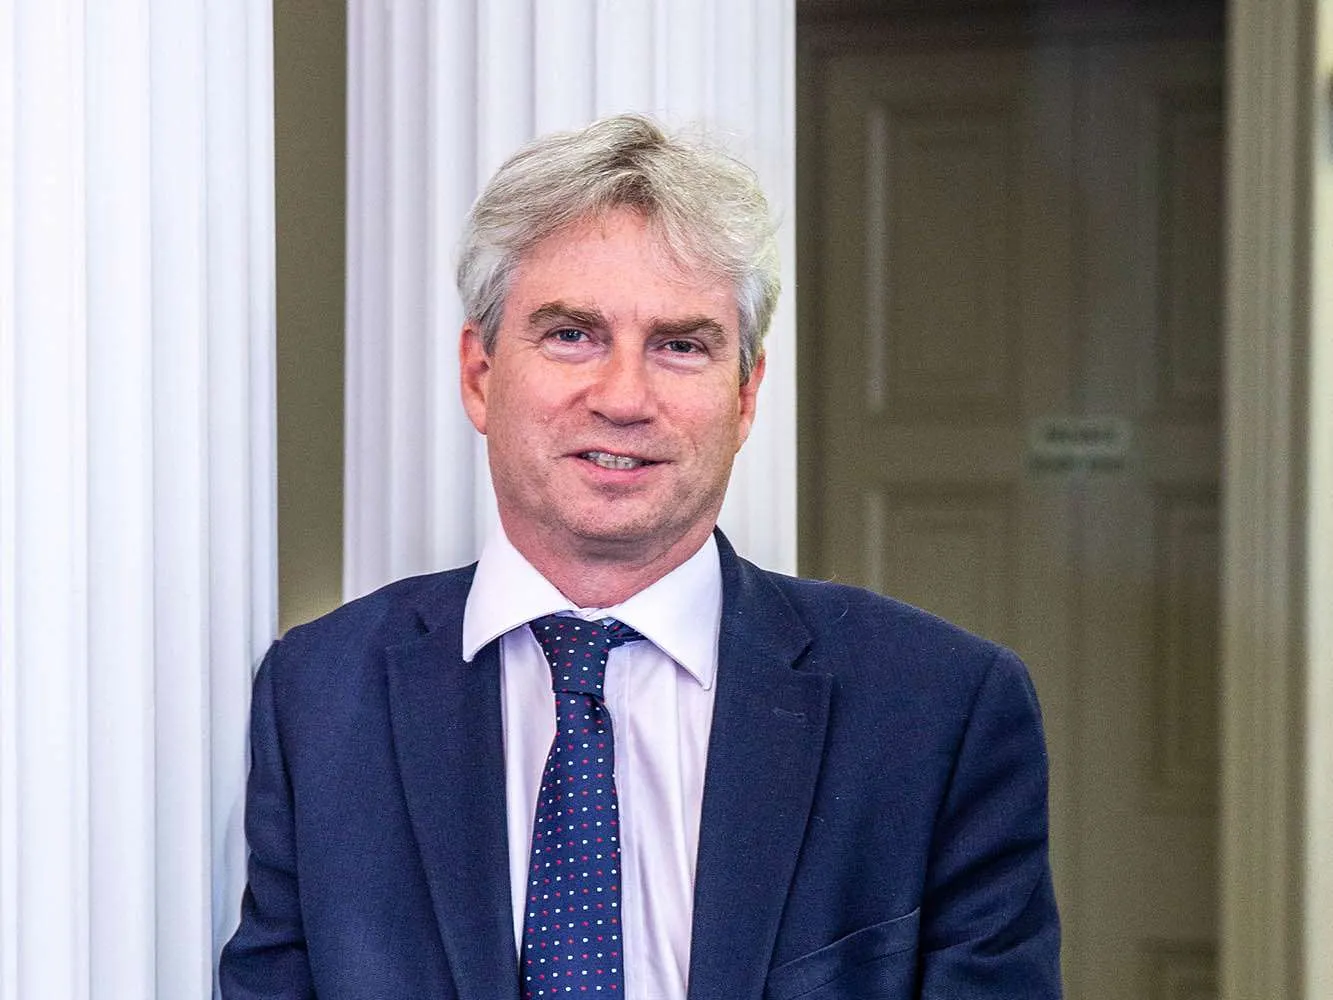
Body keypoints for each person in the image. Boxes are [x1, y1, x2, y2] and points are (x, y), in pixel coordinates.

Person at [219, 114, 1060, 999]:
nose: (623, 397)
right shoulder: (319, 695)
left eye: (680, 345)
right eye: (572, 334)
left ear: (744, 397)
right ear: (479, 373)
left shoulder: (939, 710)